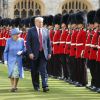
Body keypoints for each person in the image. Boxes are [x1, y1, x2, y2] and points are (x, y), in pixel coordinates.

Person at [26, 17, 51, 92]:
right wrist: (30, 52)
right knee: (35, 70)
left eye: (42, 22)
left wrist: (49, 52)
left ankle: (45, 85)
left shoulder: (46, 30)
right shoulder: (31, 31)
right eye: (39, 22)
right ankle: (36, 86)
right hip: (34, 53)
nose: (41, 24)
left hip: (44, 53)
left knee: (44, 70)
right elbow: (28, 43)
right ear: (35, 22)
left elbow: (48, 43)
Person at [4, 28, 25, 92]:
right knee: (11, 73)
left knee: (17, 73)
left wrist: (21, 52)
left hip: (18, 59)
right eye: (16, 34)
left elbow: (25, 48)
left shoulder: (22, 40)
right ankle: (13, 86)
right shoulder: (9, 41)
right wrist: (5, 60)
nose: (18, 35)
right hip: (10, 59)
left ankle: (14, 86)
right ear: (12, 35)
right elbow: (6, 51)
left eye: (18, 34)